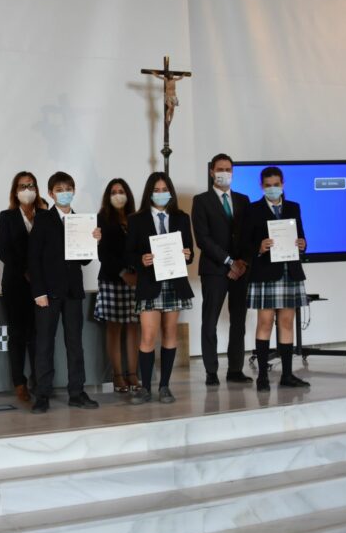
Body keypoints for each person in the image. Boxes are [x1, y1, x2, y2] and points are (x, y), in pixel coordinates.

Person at [28, 171, 102, 414]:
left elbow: (84, 262)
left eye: (68, 188)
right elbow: (34, 258)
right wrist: (38, 291)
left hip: (72, 291)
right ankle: (42, 394)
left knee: (75, 343)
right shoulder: (42, 219)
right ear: (50, 193)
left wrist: (93, 242)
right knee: (45, 344)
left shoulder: (82, 221)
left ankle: (77, 392)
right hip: (47, 293)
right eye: (59, 189)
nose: (65, 192)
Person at [126, 172, 194, 404]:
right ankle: (145, 387)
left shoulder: (182, 217)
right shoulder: (137, 219)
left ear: (171, 192)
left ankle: (165, 386)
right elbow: (129, 253)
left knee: (170, 332)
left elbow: (190, 252)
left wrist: (187, 254)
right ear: (149, 192)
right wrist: (140, 260)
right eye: (156, 189)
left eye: (165, 189)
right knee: (147, 335)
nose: (161, 193)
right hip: (149, 283)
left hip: (174, 283)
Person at [245, 166, 311, 392]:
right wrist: (259, 247)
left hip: (289, 272)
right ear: (261, 186)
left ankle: (287, 375)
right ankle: (262, 376)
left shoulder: (293, 207)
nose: (272, 188)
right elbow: (244, 244)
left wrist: (303, 244)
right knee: (264, 323)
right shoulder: (252, 210)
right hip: (265, 273)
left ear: (283, 183)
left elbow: (301, 237)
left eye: (276, 184)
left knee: (286, 323)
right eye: (268, 185)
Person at [192, 153, 253, 386]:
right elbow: (203, 239)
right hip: (215, 270)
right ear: (211, 172)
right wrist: (229, 261)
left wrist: (242, 262)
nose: (224, 173)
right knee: (210, 321)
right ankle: (211, 371)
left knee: (238, 321)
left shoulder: (244, 200)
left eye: (228, 169)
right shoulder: (201, 200)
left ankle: (235, 369)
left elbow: (250, 235)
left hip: (241, 270)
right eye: (220, 169)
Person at [0, 171, 48, 403]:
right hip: (16, 283)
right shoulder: (6, 216)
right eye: (22, 185)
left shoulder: (46, 215)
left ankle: (40, 380)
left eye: (30, 185)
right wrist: (27, 272)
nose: (26, 189)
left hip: (41, 285)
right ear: (15, 191)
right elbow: (5, 251)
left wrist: (38, 275)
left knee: (38, 335)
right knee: (17, 335)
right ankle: (19, 382)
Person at [94, 178, 139, 393]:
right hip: (113, 279)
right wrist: (123, 274)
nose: (118, 195)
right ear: (108, 196)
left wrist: (137, 272)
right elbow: (103, 254)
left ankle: (133, 374)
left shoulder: (137, 218)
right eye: (113, 192)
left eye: (121, 191)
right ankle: (118, 375)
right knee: (114, 329)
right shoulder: (102, 218)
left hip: (137, 279)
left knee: (133, 327)